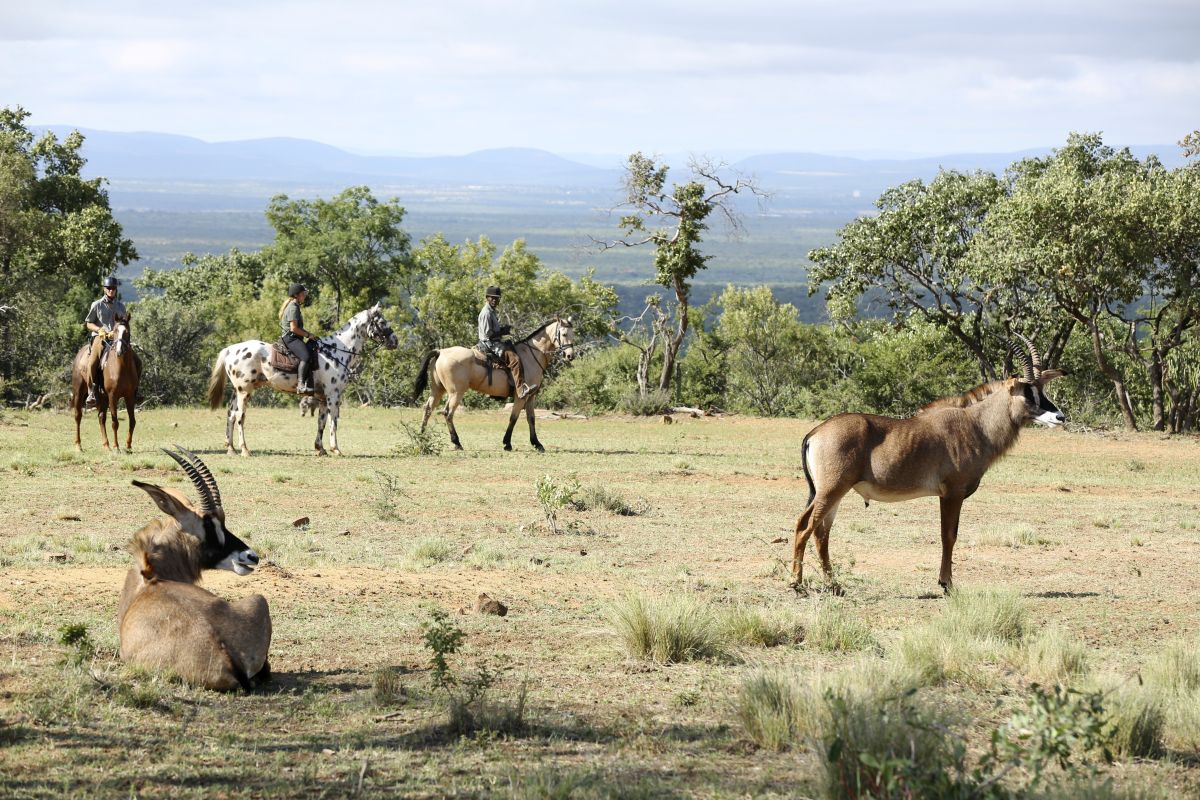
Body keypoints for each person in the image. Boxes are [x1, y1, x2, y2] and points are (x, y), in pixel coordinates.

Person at [478, 285, 536, 399]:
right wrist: (502, 331)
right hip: (490, 344)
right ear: (487, 298)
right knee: (515, 360)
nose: (495, 300)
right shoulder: (486, 313)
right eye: (492, 298)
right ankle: (521, 390)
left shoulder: (491, 311)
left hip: (493, 341)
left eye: (497, 298)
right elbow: (488, 334)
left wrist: (503, 330)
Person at [83, 275, 128, 408]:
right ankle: (91, 392)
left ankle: (134, 390)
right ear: (104, 289)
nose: (111, 290)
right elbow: (88, 323)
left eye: (113, 288)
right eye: (108, 288)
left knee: (135, 359)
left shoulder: (121, 306)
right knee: (93, 362)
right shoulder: (96, 304)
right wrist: (99, 330)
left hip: (116, 338)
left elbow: (124, 324)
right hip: (100, 337)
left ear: (116, 289)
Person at [279, 283, 317, 396]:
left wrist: (310, 335)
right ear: (296, 295)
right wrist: (308, 335)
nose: (304, 296)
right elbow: (294, 328)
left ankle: (310, 384)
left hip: (294, 337)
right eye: (302, 293)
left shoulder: (295, 306)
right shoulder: (293, 307)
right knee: (306, 356)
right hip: (290, 338)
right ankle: (300, 385)